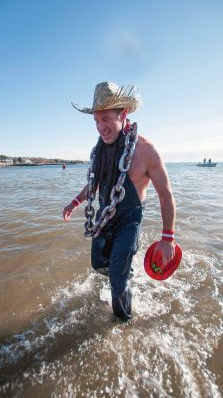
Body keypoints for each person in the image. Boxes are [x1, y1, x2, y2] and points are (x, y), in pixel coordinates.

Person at [63, 81, 176, 321]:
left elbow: (166, 195)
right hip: (106, 215)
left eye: (105, 120)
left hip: (129, 219)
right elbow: (95, 183)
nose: (100, 128)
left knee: (116, 279)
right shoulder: (101, 148)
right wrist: (75, 202)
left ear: (122, 114)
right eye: (96, 121)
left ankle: (124, 322)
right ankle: (125, 272)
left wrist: (167, 238)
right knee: (97, 263)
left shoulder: (147, 152)